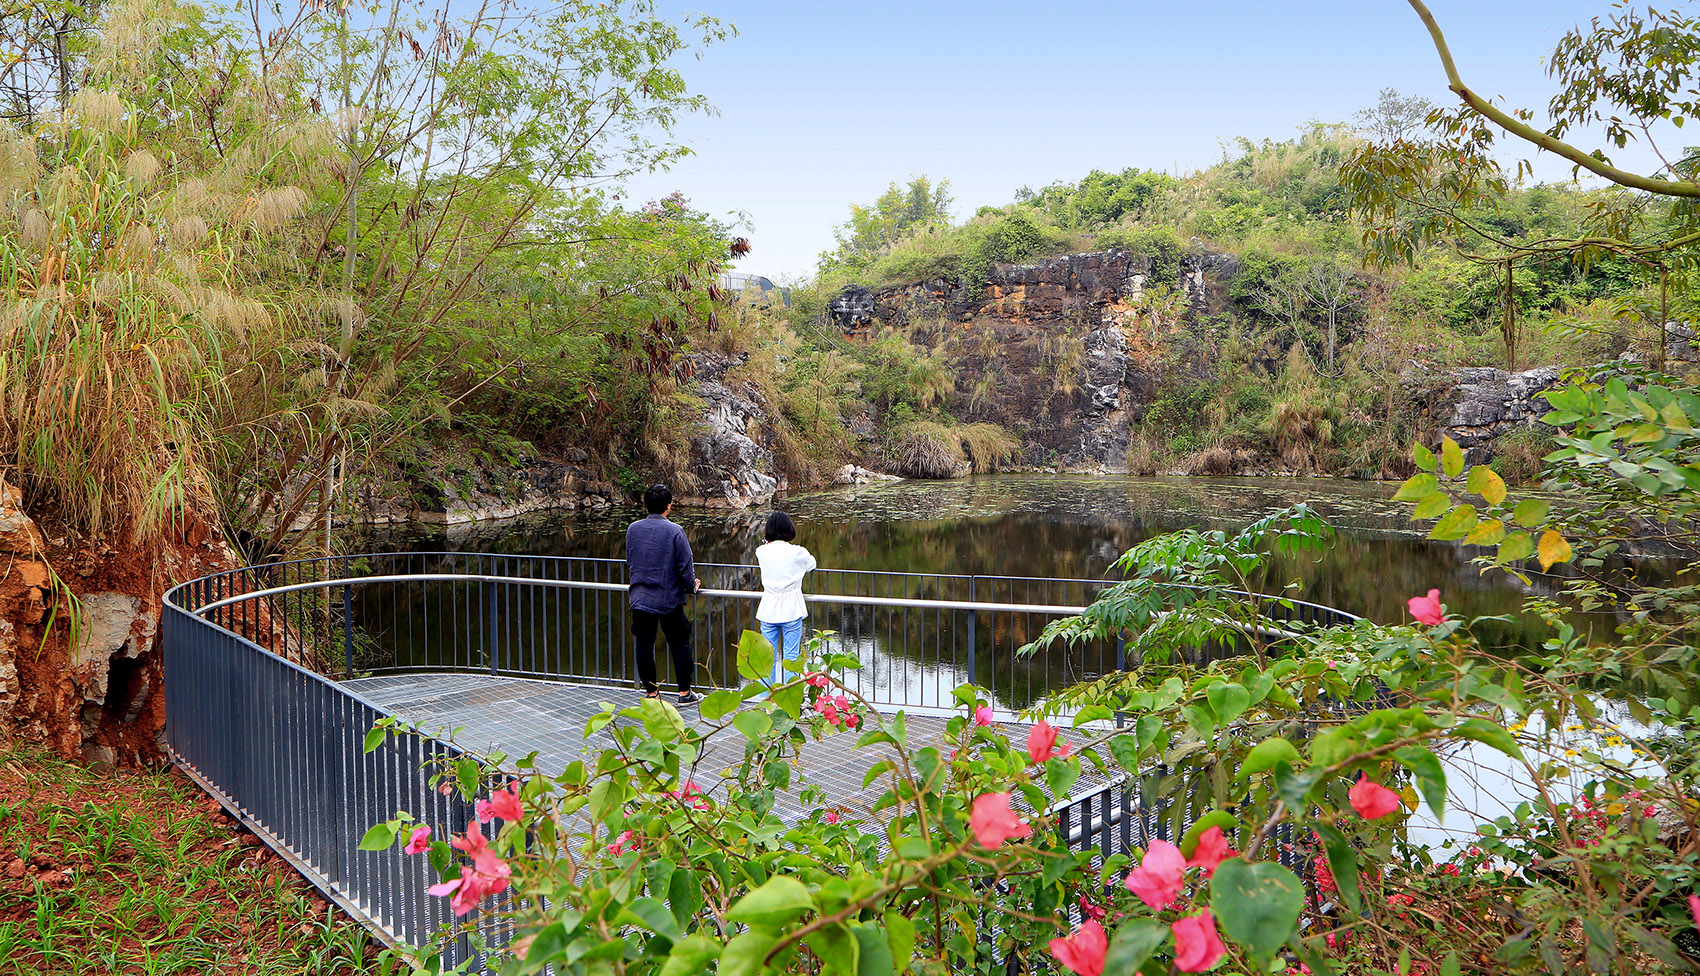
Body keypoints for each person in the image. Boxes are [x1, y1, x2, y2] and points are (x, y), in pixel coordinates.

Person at [625, 484, 701, 705]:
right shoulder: (675, 531)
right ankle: (685, 693)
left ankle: (651, 693)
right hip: (668, 599)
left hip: (640, 597)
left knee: (644, 645)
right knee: (679, 643)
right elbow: (685, 566)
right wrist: (691, 585)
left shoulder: (633, 529)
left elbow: (631, 561)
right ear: (669, 506)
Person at [754, 511, 816, 686]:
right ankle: (790, 698)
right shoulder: (798, 552)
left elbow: (766, 551)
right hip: (791, 609)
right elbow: (812, 564)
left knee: (768, 658)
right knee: (791, 657)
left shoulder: (761, 551)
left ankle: (768, 700)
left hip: (768, 609)